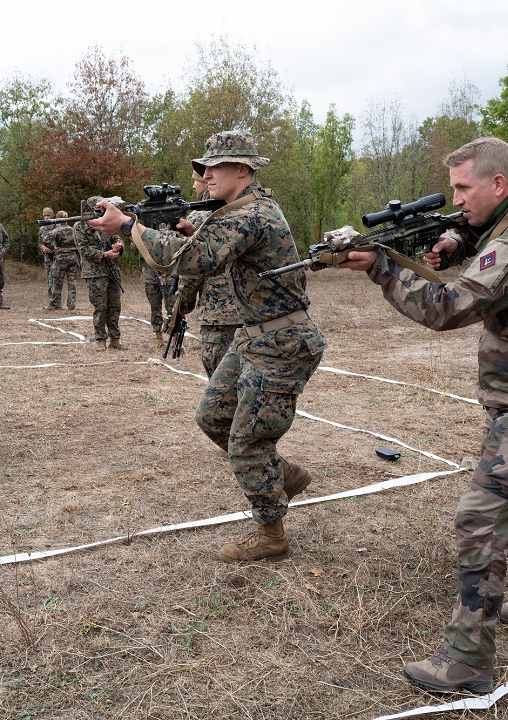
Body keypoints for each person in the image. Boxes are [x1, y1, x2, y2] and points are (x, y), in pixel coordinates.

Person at [339, 137, 508, 695]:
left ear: (497, 184)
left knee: (479, 518)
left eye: (462, 188)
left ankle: (467, 662)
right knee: (507, 504)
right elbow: (478, 235)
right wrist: (453, 238)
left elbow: (447, 307)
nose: (455, 199)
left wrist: (383, 267)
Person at [88, 130, 326, 562]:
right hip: (252, 336)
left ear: (243, 170)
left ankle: (271, 532)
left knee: (247, 442)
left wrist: (127, 224)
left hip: (282, 341)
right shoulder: (232, 210)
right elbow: (194, 245)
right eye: (207, 167)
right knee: (212, 416)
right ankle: (282, 475)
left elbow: (190, 259)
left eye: (216, 167)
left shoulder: (253, 214)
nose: (207, 175)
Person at [175, 170, 243, 376]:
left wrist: (183, 305)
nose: (194, 187)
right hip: (254, 313)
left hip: (217, 316)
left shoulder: (200, 217)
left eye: (197, 182)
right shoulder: (250, 211)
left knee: (221, 384)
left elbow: (192, 272)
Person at [75, 204, 125, 350]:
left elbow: (118, 239)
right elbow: (83, 250)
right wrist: (104, 255)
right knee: (100, 307)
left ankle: (115, 339)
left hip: (112, 271)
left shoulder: (107, 223)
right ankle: (100, 339)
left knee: (115, 307)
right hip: (95, 273)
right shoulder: (80, 226)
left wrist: (118, 247)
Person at [47, 211, 79, 311]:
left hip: (61, 258)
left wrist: (53, 247)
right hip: (73, 257)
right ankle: (71, 304)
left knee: (57, 281)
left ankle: (54, 304)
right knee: (72, 282)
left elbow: (45, 240)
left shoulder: (56, 231)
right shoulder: (73, 230)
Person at [38, 207, 57, 307]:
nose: (46, 217)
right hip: (47, 258)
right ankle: (51, 302)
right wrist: (43, 248)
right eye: (45, 215)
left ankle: (57, 302)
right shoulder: (42, 228)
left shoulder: (57, 227)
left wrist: (56, 248)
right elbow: (39, 242)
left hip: (57, 257)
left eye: (48, 215)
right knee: (49, 279)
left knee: (57, 279)